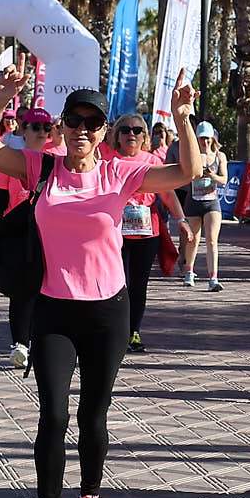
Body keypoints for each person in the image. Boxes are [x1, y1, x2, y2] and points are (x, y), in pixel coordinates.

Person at [0, 69, 202, 498]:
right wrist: (2, 98)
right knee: (53, 415)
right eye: (73, 121)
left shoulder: (121, 171)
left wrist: (182, 119)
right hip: (54, 310)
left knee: (92, 415)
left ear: (103, 132)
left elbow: (187, 174)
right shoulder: (42, 167)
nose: (81, 130)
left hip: (107, 312)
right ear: (61, 125)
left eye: (91, 123)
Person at [0, 106, 61, 369]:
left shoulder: (59, 158)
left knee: (48, 290)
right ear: (23, 129)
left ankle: (42, 341)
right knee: (22, 290)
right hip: (19, 234)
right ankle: (20, 343)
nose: (42, 132)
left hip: (52, 235)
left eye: (46, 127)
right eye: (36, 127)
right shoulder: (12, 160)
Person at [111, 113, 167, 352]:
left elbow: (168, 191)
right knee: (115, 283)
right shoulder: (106, 158)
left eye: (136, 130)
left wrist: (182, 219)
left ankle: (133, 331)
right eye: (125, 130)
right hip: (114, 233)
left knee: (138, 284)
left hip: (147, 232)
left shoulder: (152, 160)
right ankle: (114, 331)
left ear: (144, 136)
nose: (131, 134)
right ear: (117, 135)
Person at [178, 121, 228, 291]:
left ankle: (213, 278)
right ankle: (189, 272)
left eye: (207, 139)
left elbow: (224, 180)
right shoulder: (193, 155)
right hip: (193, 201)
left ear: (213, 138)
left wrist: (212, 175)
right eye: (201, 139)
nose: (205, 142)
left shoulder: (219, 156)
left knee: (212, 241)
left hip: (211, 202)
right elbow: (184, 176)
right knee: (193, 239)